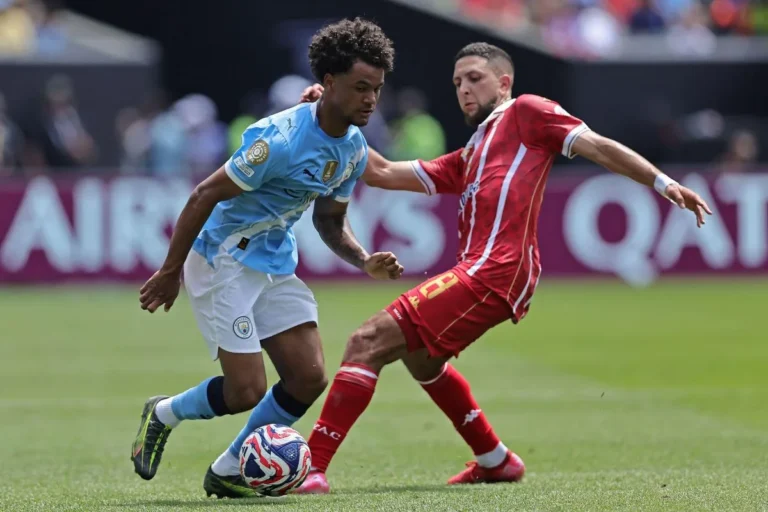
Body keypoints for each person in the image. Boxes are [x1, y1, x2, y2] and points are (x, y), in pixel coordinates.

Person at [294, 42, 712, 494]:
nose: (464, 90)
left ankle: (311, 469)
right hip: (485, 270)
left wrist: (664, 182)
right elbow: (378, 171)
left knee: (366, 340)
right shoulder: (471, 153)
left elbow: (597, 147)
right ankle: (496, 460)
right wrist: (330, 115)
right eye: (457, 83)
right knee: (420, 358)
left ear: (504, 82)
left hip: (497, 269)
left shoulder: (527, 113)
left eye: (474, 78)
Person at [130, 18, 402, 499]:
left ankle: (230, 467)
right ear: (329, 83)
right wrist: (171, 272)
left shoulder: (354, 149)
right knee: (246, 391)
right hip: (222, 260)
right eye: (361, 87)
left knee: (308, 376)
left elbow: (330, 223)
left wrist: (363, 260)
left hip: (273, 259)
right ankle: (164, 412)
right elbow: (202, 195)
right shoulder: (277, 140)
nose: (370, 100)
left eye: (377, 89)